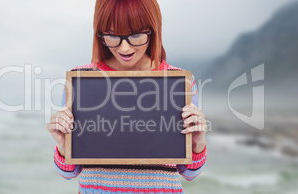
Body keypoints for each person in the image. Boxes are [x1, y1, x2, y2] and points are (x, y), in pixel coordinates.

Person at [46, 0, 207, 193]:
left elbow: (190, 173)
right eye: (112, 36)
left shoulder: (180, 82)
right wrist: (64, 145)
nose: (124, 48)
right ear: (100, 33)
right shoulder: (80, 81)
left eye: (136, 35)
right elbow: (68, 173)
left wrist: (198, 141)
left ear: (153, 30)